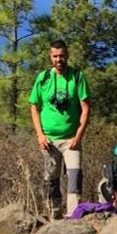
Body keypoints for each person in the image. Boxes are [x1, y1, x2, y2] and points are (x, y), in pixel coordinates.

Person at [29, 39, 91, 219]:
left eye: (62, 56)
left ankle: (74, 217)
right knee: (51, 181)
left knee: (74, 177)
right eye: (55, 56)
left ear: (67, 55)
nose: (59, 59)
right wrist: (40, 135)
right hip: (49, 141)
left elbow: (86, 108)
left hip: (71, 139)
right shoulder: (43, 78)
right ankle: (54, 216)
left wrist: (78, 136)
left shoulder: (77, 77)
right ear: (50, 57)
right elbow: (34, 106)